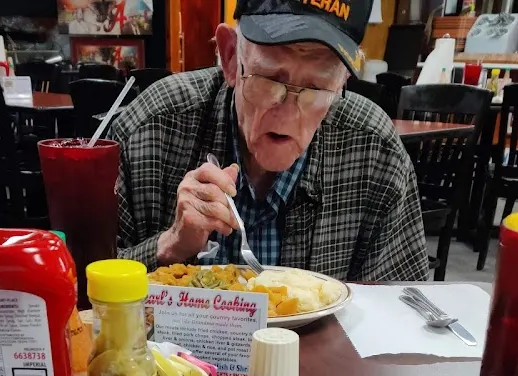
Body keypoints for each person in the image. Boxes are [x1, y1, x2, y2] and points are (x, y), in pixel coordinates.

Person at [111, 0, 429, 282]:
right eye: (270, 80)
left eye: (317, 88)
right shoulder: (151, 128)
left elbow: (402, 309)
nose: (288, 114)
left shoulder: (374, 150)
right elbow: (83, 292)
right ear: (231, 57)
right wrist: (170, 245)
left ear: (343, 80)